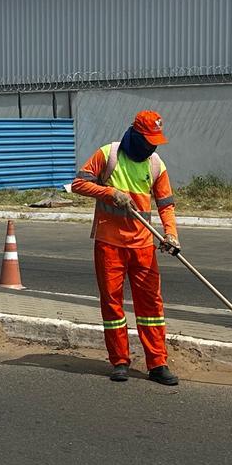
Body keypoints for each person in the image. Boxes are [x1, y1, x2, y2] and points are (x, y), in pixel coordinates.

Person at [72, 110, 180, 386]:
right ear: (134, 134)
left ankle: (158, 363)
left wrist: (171, 234)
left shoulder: (156, 165)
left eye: (155, 141)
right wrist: (110, 192)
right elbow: (79, 184)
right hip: (109, 244)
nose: (152, 146)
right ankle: (119, 360)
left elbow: (166, 204)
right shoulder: (108, 155)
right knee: (112, 304)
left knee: (151, 307)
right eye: (147, 140)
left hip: (143, 245)